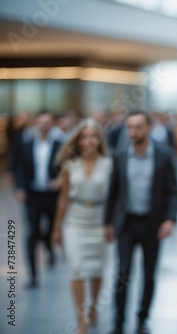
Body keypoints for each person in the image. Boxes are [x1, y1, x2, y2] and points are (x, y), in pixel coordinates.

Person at [105, 110, 177, 334]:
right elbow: (113, 191)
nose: (133, 132)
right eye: (129, 127)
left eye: (138, 127)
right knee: (123, 272)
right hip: (126, 223)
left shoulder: (163, 155)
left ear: (148, 128)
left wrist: (170, 219)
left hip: (153, 223)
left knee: (149, 273)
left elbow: (173, 191)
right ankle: (118, 322)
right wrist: (107, 222)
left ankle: (142, 319)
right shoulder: (119, 155)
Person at [51, 119, 112, 334]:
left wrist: (111, 224)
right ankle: (81, 321)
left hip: (100, 221)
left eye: (93, 136)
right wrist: (56, 228)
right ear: (79, 139)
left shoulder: (109, 164)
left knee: (96, 269)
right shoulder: (70, 165)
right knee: (76, 268)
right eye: (85, 136)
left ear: (99, 139)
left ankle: (93, 306)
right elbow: (63, 198)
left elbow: (114, 197)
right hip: (75, 221)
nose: (89, 140)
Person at [14, 110, 62, 288]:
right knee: (32, 233)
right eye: (40, 122)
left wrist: (60, 180)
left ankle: (50, 250)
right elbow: (19, 167)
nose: (43, 125)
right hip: (32, 194)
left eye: (47, 122)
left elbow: (67, 166)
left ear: (52, 124)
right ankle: (33, 275)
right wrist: (20, 187)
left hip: (51, 195)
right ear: (36, 123)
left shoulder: (59, 144)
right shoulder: (27, 144)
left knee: (50, 230)